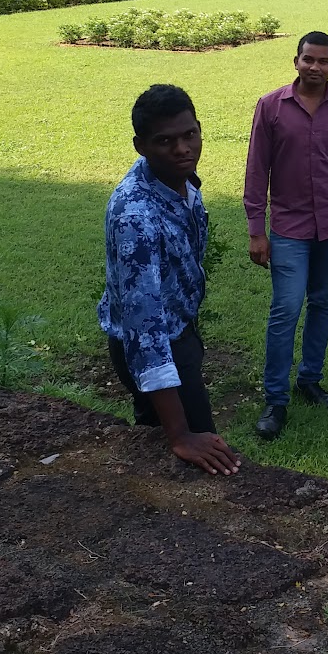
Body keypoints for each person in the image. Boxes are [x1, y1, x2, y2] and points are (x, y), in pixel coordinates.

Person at [100, 84, 241, 476]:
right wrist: (181, 434)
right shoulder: (136, 218)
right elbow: (144, 327)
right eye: (165, 141)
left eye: (189, 135)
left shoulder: (177, 180)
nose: (182, 149)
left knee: (152, 453)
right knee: (197, 456)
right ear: (140, 145)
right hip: (157, 346)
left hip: (180, 332)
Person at [244, 31, 328, 440]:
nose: (315, 67)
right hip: (288, 230)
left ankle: (309, 379)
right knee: (286, 309)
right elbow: (256, 171)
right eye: (308, 60)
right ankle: (275, 399)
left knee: (323, 304)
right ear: (295, 61)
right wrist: (256, 232)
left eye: (323, 61)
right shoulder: (271, 107)